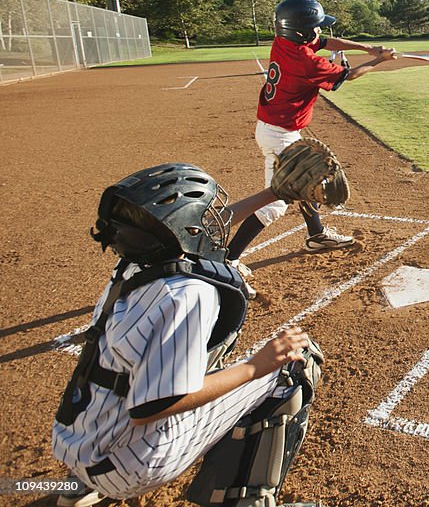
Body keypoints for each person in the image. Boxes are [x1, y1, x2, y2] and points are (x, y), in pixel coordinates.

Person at [53, 164, 323, 507]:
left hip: (79, 440)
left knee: (181, 360)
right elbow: (154, 406)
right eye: (204, 218)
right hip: (132, 462)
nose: (213, 223)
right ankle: (246, 501)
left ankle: (79, 487)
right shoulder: (188, 293)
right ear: (186, 228)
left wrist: (274, 194)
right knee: (293, 365)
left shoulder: (132, 265)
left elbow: (204, 227)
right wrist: (258, 365)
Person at [225, 0, 395, 276]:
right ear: (301, 31)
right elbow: (349, 76)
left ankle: (316, 235)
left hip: (277, 128)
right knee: (276, 203)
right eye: (315, 27)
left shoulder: (285, 42)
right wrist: (379, 59)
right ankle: (230, 258)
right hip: (280, 136)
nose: (319, 31)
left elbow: (327, 42)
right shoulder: (307, 64)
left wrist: (367, 47)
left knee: (307, 180)